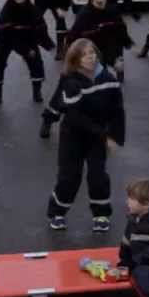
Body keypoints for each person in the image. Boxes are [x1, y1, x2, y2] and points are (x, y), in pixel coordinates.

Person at [44, 39, 125, 231]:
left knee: (98, 175)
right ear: (75, 59)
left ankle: (101, 214)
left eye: (92, 53)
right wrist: (104, 135)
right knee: (69, 177)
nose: (90, 57)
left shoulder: (109, 80)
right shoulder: (71, 82)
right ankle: (57, 212)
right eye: (84, 55)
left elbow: (117, 110)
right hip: (73, 136)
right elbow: (74, 116)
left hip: (97, 137)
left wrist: (115, 136)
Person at [0, 0, 54, 106]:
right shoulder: (6, 11)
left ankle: (37, 91)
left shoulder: (33, 9)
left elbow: (41, 29)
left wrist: (49, 45)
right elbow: (8, 35)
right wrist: (25, 51)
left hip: (27, 38)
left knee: (36, 61)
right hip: (5, 39)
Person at [66, 0, 135, 81]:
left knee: (113, 84)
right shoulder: (84, 15)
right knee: (101, 81)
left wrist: (121, 54)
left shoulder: (114, 12)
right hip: (92, 56)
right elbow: (73, 39)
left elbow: (121, 32)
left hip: (111, 51)